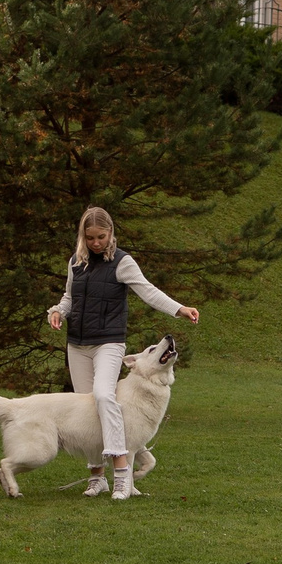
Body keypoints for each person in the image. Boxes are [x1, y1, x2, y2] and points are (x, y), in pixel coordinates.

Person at [47, 206, 198, 500]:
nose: (95, 243)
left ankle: (121, 477)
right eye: (89, 237)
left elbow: (148, 291)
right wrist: (57, 312)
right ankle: (96, 478)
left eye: (101, 237)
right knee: (87, 408)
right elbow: (69, 298)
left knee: (104, 395)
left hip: (109, 342)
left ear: (111, 233)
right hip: (77, 344)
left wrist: (179, 309)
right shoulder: (75, 262)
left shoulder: (122, 262)